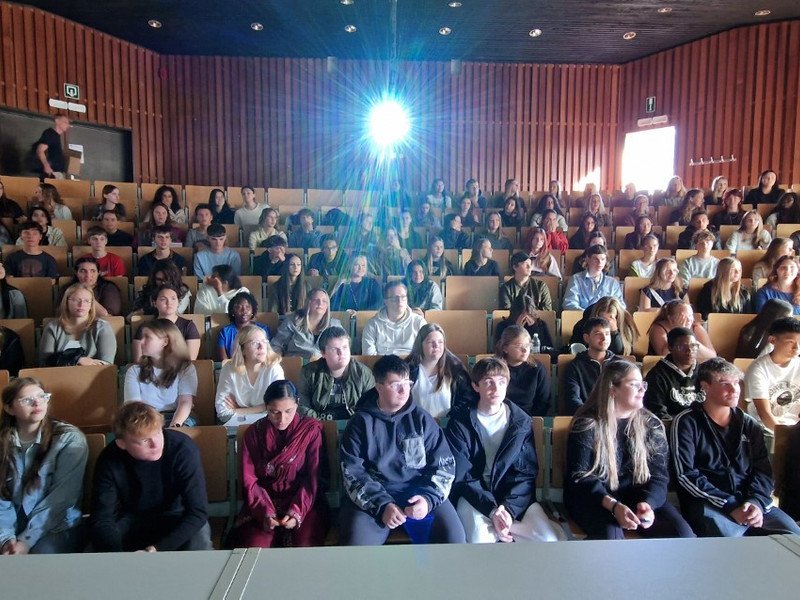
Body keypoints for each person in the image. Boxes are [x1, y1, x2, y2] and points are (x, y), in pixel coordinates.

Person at [338, 355, 465, 545]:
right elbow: (353, 473)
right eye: (395, 384)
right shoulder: (360, 423)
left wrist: (427, 499)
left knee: (455, 539)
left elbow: (444, 465)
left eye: (407, 382)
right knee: (357, 549)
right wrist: (382, 506)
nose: (403, 389)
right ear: (379, 387)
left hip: (419, 494)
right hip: (375, 499)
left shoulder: (422, 419)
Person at [671, 358, 800, 537]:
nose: (734, 390)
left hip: (751, 501)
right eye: (725, 383)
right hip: (710, 502)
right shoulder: (687, 422)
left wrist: (755, 502)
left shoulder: (749, 424)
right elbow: (686, 474)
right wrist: (730, 505)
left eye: (736, 383)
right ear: (705, 386)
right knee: (730, 542)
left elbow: (763, 471)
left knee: (793, 535)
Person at [565, 361, 694, 540]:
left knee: (683, 535)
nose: (642, 389)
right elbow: (581, 477)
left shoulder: (651, 424)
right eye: (634, 384)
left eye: (643, 384)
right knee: (612, 537)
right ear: (613, 389)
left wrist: (648, 504)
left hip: (638, 497)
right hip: (596, 498)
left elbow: (659, 476)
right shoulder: (587, 424)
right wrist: (614, 506)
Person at [445, 358, 563, 543]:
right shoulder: (460, 423)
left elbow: (525, 473)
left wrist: (508, 509)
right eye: (488, 382)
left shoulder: (521, 421)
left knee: (547, 540)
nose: (496, 388)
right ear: (476, 386)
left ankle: (509, 528)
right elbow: (463, 476)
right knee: (479, 540)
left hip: (513, 497)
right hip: (475, 497)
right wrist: (492, 510)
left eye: (501, 382)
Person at [90, 401, 212, 551]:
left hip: (178, 515)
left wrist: (158, 549)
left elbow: (197, 512)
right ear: (122, 443)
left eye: (158, 433)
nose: (156, 444)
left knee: (200, 543)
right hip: (130, 518)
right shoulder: (109, 459)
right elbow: (103, 519)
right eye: (145, 440)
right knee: (96, 549)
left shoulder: (183, 449)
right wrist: (119, 559)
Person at [226, 380, 329, 548]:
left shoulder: (310, 431)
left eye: (289, 411)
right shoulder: (254, 433)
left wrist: (297, 511)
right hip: (262, 502)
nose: (282, 419)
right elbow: (249, 480)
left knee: (304, 546)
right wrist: (265, 511)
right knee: (255, 546)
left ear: (297, 404)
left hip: (304, 502)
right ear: (266, 407)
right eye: (274, 412)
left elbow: (313, 478)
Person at [0, 377, 87, 554]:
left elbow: (61, 499)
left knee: (41, 554)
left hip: (55, 525)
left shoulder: (68, 438)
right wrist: (5, 539)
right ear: (10, 408)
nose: (37, 403)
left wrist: (25, 541)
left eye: (42, 396)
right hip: (9, 525)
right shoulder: (3, 441)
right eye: (27, 400)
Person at [125, 319, 199, 427]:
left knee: (185, 428)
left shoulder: (186, 368)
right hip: (146, 419)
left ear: (165, 342)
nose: (141, 341)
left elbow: (185, 402)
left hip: (177, 417)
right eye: (142, 337)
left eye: (147, 337)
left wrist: (174, 426)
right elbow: (134, 406)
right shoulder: (134, 371)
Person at [298, 326, 374, 420]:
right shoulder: (309, 373)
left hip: (354, 425)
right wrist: (320, 422)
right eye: (334, 349)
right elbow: (302, 406)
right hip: (318, 425)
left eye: (345, 347)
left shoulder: (363, 373)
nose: (341, 353)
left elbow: (371, 406)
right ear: (323, 353)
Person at [214, 325, 284, 425]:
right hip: (236, 426)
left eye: (264, 341)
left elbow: (279, 406)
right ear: (242, 349)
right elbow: (222, 412)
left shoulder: (274, 368)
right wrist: (264, 407)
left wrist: (238, 410)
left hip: (268, 424)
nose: (261, 346)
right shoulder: (229, 369)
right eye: (255, 343)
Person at [406, 324, 474, 418]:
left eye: (440, 342)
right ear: (420, 344)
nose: (436, 345)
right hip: (415, 425)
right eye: (430, 342)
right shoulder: (408, 368)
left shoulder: (455, 368)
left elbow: (467, 398)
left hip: (448, 426)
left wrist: (451, 417)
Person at [743, 317, 800, 432]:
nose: (797, 348)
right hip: (766, 428)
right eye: (790, 342)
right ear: (772, 340)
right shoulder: (758, 369)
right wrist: (784, 437)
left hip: (794, 427)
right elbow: (764, 413)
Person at [40, 283, 116, 366]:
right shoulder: (52, 328)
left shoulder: (102, 328)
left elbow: (107, 365)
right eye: (76, 300)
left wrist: (61, 360)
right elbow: (45, 363)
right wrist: (78, 360)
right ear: (66, 302)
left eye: (86, 301)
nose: (81, 305)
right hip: (56, 377)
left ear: (91, 305)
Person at [563, 317, 619, 415]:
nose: (604, 338)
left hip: (616, 417)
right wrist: (593, 415)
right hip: (586, 419)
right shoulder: (575, 366)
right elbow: (573, 400)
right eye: (598, 334)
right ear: (586, 338)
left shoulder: (619, 365)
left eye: (607, 333)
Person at [643, 327, 701, 419]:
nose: (689, 351)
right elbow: (658, 413)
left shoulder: (704, 372)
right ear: (670, 347)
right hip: (673, 427)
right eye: (682, 346)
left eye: (693, 346)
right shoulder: (657, 376)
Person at [496, 251, 554, 343]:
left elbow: (547, 310)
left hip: (536, 321)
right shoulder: (506, 288)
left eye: (530, 264)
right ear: (515, 267)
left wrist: (530, 316)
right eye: (525, 264)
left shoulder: (541, 286)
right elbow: (506, 310)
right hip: (513, 322)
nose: (529, 267)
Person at [132, 286, 201, 361]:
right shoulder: (144, 327)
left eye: (173, 298)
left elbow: (190, 361)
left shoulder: (188, 326)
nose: (169, 303)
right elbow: (138, 362)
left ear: (178, 302)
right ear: (154, 303)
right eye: (163, 299)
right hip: (150, 371)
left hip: (180, 371)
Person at [271, 289, 342, 360]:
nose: (320, 303)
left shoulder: (334, 325)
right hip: (297, 366)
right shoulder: (292, 321)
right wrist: (277, 359)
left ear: (327, 306)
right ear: (308, 303)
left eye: (324, 301)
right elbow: (277, 345)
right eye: (316, 300)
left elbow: (343, 346)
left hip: (324, 367)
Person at [494, 326, 550, 416]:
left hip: (529, 419)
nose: (525, 350)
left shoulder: (537, 368)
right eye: (519, 346)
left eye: (527, 345)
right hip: (499, 418)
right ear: (505, 348)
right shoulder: (494, 369)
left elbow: (543, 401)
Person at [362, 281, 427, 356]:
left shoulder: (419, 322)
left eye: (403, 297)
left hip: (412, 365)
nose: (399, 301)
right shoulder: (372, 324)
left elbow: (425, 353)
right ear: (385, 301)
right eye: (394, 298)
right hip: (383, 365)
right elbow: (369, 356)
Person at [569, 297, 639, 357]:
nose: (605, 324)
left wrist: (614, 332)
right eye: (602, 320)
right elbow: (578, 348)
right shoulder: (583, 324)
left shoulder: (627, 324)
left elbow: (620, 353)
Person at [648, 300, 716, 360]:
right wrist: (679, 331)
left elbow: (712, 356)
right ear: (671, 318)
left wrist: (693, 342)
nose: (689, 319)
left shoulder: (696, 327)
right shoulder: (657, 328)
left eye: (690, 315)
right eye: (683, 316)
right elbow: (665, 355)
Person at [562, 245, 624, 310]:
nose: (600, 263)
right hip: (582, 317)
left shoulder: (612, 283)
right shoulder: (576, 279)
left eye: (602, 259)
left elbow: (620, 306)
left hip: (605, 318)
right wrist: (587, 315)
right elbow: (569, 303)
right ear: (588, 259)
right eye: (596, 259)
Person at [215, 291, 270, 361]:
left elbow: (267, 354)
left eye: (248, 307)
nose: (244, 310)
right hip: (233, 369)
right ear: (232, 311)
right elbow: (224, 360)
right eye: (239, 307)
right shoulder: (225, 332)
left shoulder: (263, 329)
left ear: (253, 311)